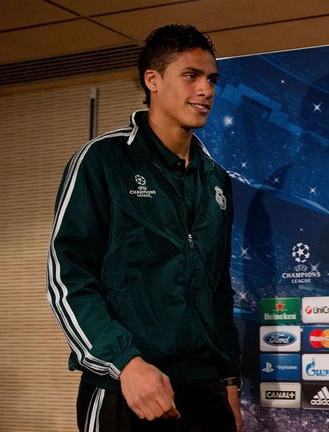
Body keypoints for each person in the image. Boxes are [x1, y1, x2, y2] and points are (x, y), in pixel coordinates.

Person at [47, 24, 242, 432]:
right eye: (191, 76)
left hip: (205, 390)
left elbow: (218, 289)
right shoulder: (103, 161)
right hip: (128, 386)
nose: (205, 89)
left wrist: (228, 383)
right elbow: (68, 277)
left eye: (211, 79)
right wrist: (125, 363)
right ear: (152, 80)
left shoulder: (216, 180)